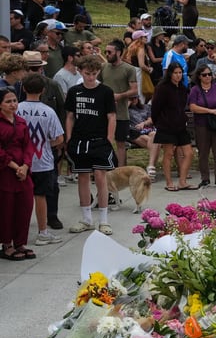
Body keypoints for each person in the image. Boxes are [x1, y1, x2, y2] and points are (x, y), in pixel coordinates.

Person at [64, 55, 117, 235]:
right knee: (83, 178)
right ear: (80, 71)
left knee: (101, 177)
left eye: (94, 73)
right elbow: (70, 116)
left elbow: (111, 116)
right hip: (79, 139)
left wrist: (109, 139)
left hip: (99, 140)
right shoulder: (74, 91)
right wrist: (69, 138)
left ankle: (104, 220)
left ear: (98, 72)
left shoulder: (106, 92)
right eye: (87, 73)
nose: (91, 77)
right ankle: (86, 219)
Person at [17, 74, 64, 246]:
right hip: (42, 160)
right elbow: (59, 139)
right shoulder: (48, 111)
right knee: (41, 196)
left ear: (23, 89)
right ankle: (43, 232)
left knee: (20, 197)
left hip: (20, 161)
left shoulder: (17, 109)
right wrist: (46, 144)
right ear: (43, 91)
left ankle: (18, 232)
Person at [0, 87, 36, 261]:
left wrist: (26, 166)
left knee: (25, 206)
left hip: (23, 172)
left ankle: (20, 242)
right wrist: (16, 167)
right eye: (8, 101)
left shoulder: (21, 122)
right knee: (6, 209)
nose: (13, 104)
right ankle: (6, 244)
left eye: (14, 100)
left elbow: (28, 146)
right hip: (6, 172)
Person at [188, 66, 216, 189]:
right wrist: (209, 111)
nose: (207, 77)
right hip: (202, 124)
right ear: (199, 76)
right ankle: (205, 178)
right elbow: (192, 107)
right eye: (204, 75)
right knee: (203, 152)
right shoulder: (195, 90)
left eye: (209, 74)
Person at [151, 62, 194, 191]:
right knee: (168, 153)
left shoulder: (182, 88)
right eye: (175, 73)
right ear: (170, 73)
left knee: (189, 153)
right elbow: (155, 107)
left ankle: (182, 181)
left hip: (180, 125)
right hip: (166, 125)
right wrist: (158, 122)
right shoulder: (163, 88)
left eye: (180, 73)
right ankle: (169, 182)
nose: (178, 75)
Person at [100, 40, 138, 168]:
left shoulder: (128, 69)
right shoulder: (104, 67)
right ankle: (103, 168)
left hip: (121, 113)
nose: (107, 54)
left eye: (109, 52)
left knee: (121, 143)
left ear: (118, 52)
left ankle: (121, 170)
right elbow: (97, 85)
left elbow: (134, 90)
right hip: (103, 113)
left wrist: (120, 96)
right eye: (106, 52)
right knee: (103, 141)